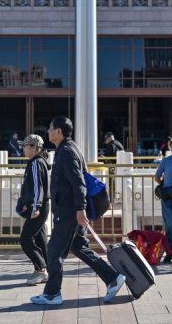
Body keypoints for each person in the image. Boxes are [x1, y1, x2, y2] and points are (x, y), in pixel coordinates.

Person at [30, 116, 125, 306]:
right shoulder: (68, 148)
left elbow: (78, 182)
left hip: (69, 211)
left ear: (59, 131)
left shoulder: (66, 151)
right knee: (79, 247)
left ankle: (52, 293)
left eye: (50, 128)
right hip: (71, 209)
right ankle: (113, 278)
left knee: (54, 251)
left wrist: (80, 208)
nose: (47, 132)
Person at [18, 134, 50, 285]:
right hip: (38, 206)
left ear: (34, 148)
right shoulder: (36, 162)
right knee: (40, 239)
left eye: (25, 146)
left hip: (38, 208)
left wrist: (35, 206)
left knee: (25, 239)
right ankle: (49, 268)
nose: (23, 149)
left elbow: (39, 187)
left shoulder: (36, 163)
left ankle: (41, 269)